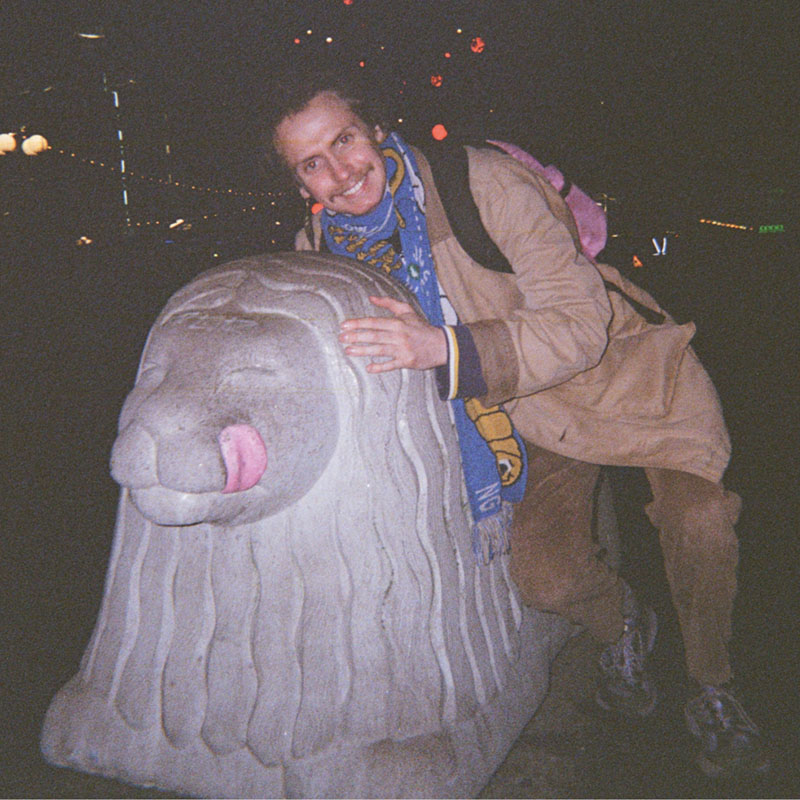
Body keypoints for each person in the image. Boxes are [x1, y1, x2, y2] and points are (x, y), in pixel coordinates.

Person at [264, 72, 770, 779]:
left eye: (344, 140)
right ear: (299, 183)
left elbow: (581, 321)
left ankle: (712, 685)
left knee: (700, 522)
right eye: (311, 163)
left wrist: (445, 349)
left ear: (375, 131)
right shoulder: (323, 254)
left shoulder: (482, 184)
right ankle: (626, 625)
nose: (339, 171)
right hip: (525, 413)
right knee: (545, 576)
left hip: (623, 378)